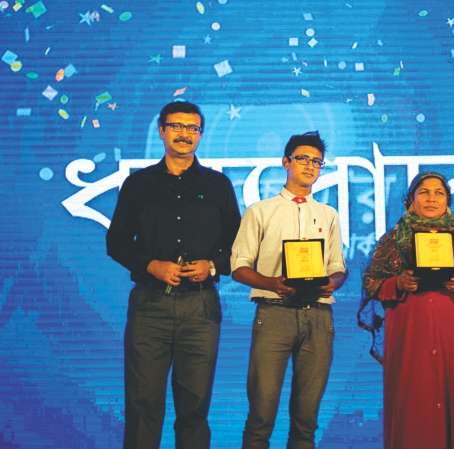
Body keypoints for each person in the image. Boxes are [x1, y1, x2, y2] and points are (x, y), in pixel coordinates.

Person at [106, 100, 241, 449]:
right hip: (150, 306)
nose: (185, 134)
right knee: (142, 405)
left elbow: (238, 246)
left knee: (194, 408)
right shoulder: (138, 184)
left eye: (192, 128)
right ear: (162, 130)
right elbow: (117, 241)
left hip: (200, 309)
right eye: (177, 127)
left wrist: (211, 266)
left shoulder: (218, 185)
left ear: (201, 134)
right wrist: (152, 265)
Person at [358, 171, 454, 449]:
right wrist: (397, 283)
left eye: (439, 193)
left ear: (448, 201)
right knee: (414, 402)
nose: (432, 198)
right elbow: (371, 282)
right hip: (411, 335)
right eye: (424, 192)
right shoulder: (393, 240)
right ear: (410, 201)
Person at [230, 131, 348, 448]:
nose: (310, 166)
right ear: (286, 162)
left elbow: (338, 267)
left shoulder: (328, 214)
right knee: (261, 416)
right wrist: (272, 283)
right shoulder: (260, 211)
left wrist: (331, 283)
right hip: (274, 314)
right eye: (302, 159)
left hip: (319, 317)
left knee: (306, 420)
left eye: (317, 161)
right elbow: (238, 267)